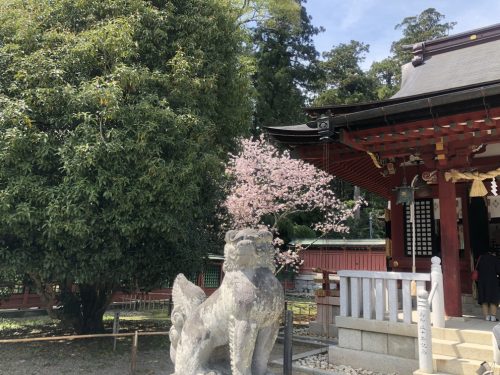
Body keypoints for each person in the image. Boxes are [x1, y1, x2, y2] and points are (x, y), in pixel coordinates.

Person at [477, 249, 500, 321]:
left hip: (482, 281)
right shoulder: (495, 259)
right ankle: (493, 317)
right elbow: (499, 271)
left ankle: (487, 317)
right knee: (493, 298)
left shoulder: (481, 258)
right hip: (493, 282)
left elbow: (477, 269)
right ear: (494, 253)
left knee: (484, 299)